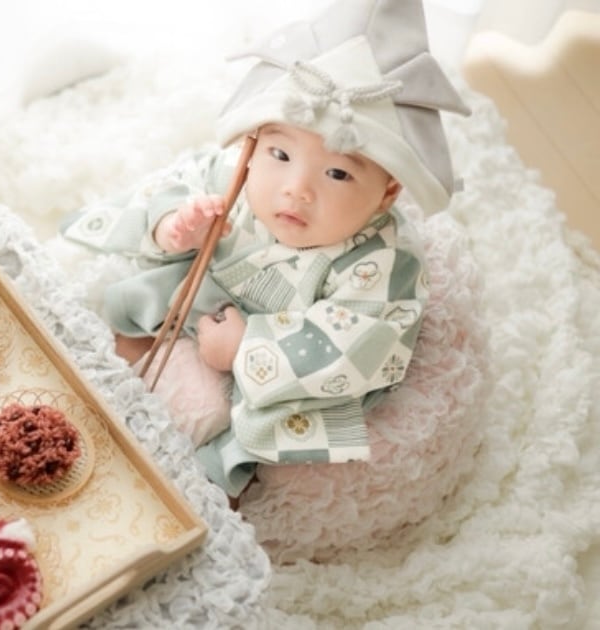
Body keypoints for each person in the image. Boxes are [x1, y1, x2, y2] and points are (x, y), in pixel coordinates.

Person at [59, 0, 470, 499]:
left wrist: (245, 349)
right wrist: (176, 227)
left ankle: (192, 495)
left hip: (276, 353)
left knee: (253, 440)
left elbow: (358, 344)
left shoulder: (382, 259)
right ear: (253, 145)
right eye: (280, 153)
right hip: (201, 299)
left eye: (337, 173)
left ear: (387, 193)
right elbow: (176, 184)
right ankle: (87, 396)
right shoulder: (238, 178)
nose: (296, 189)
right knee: (131, 321)